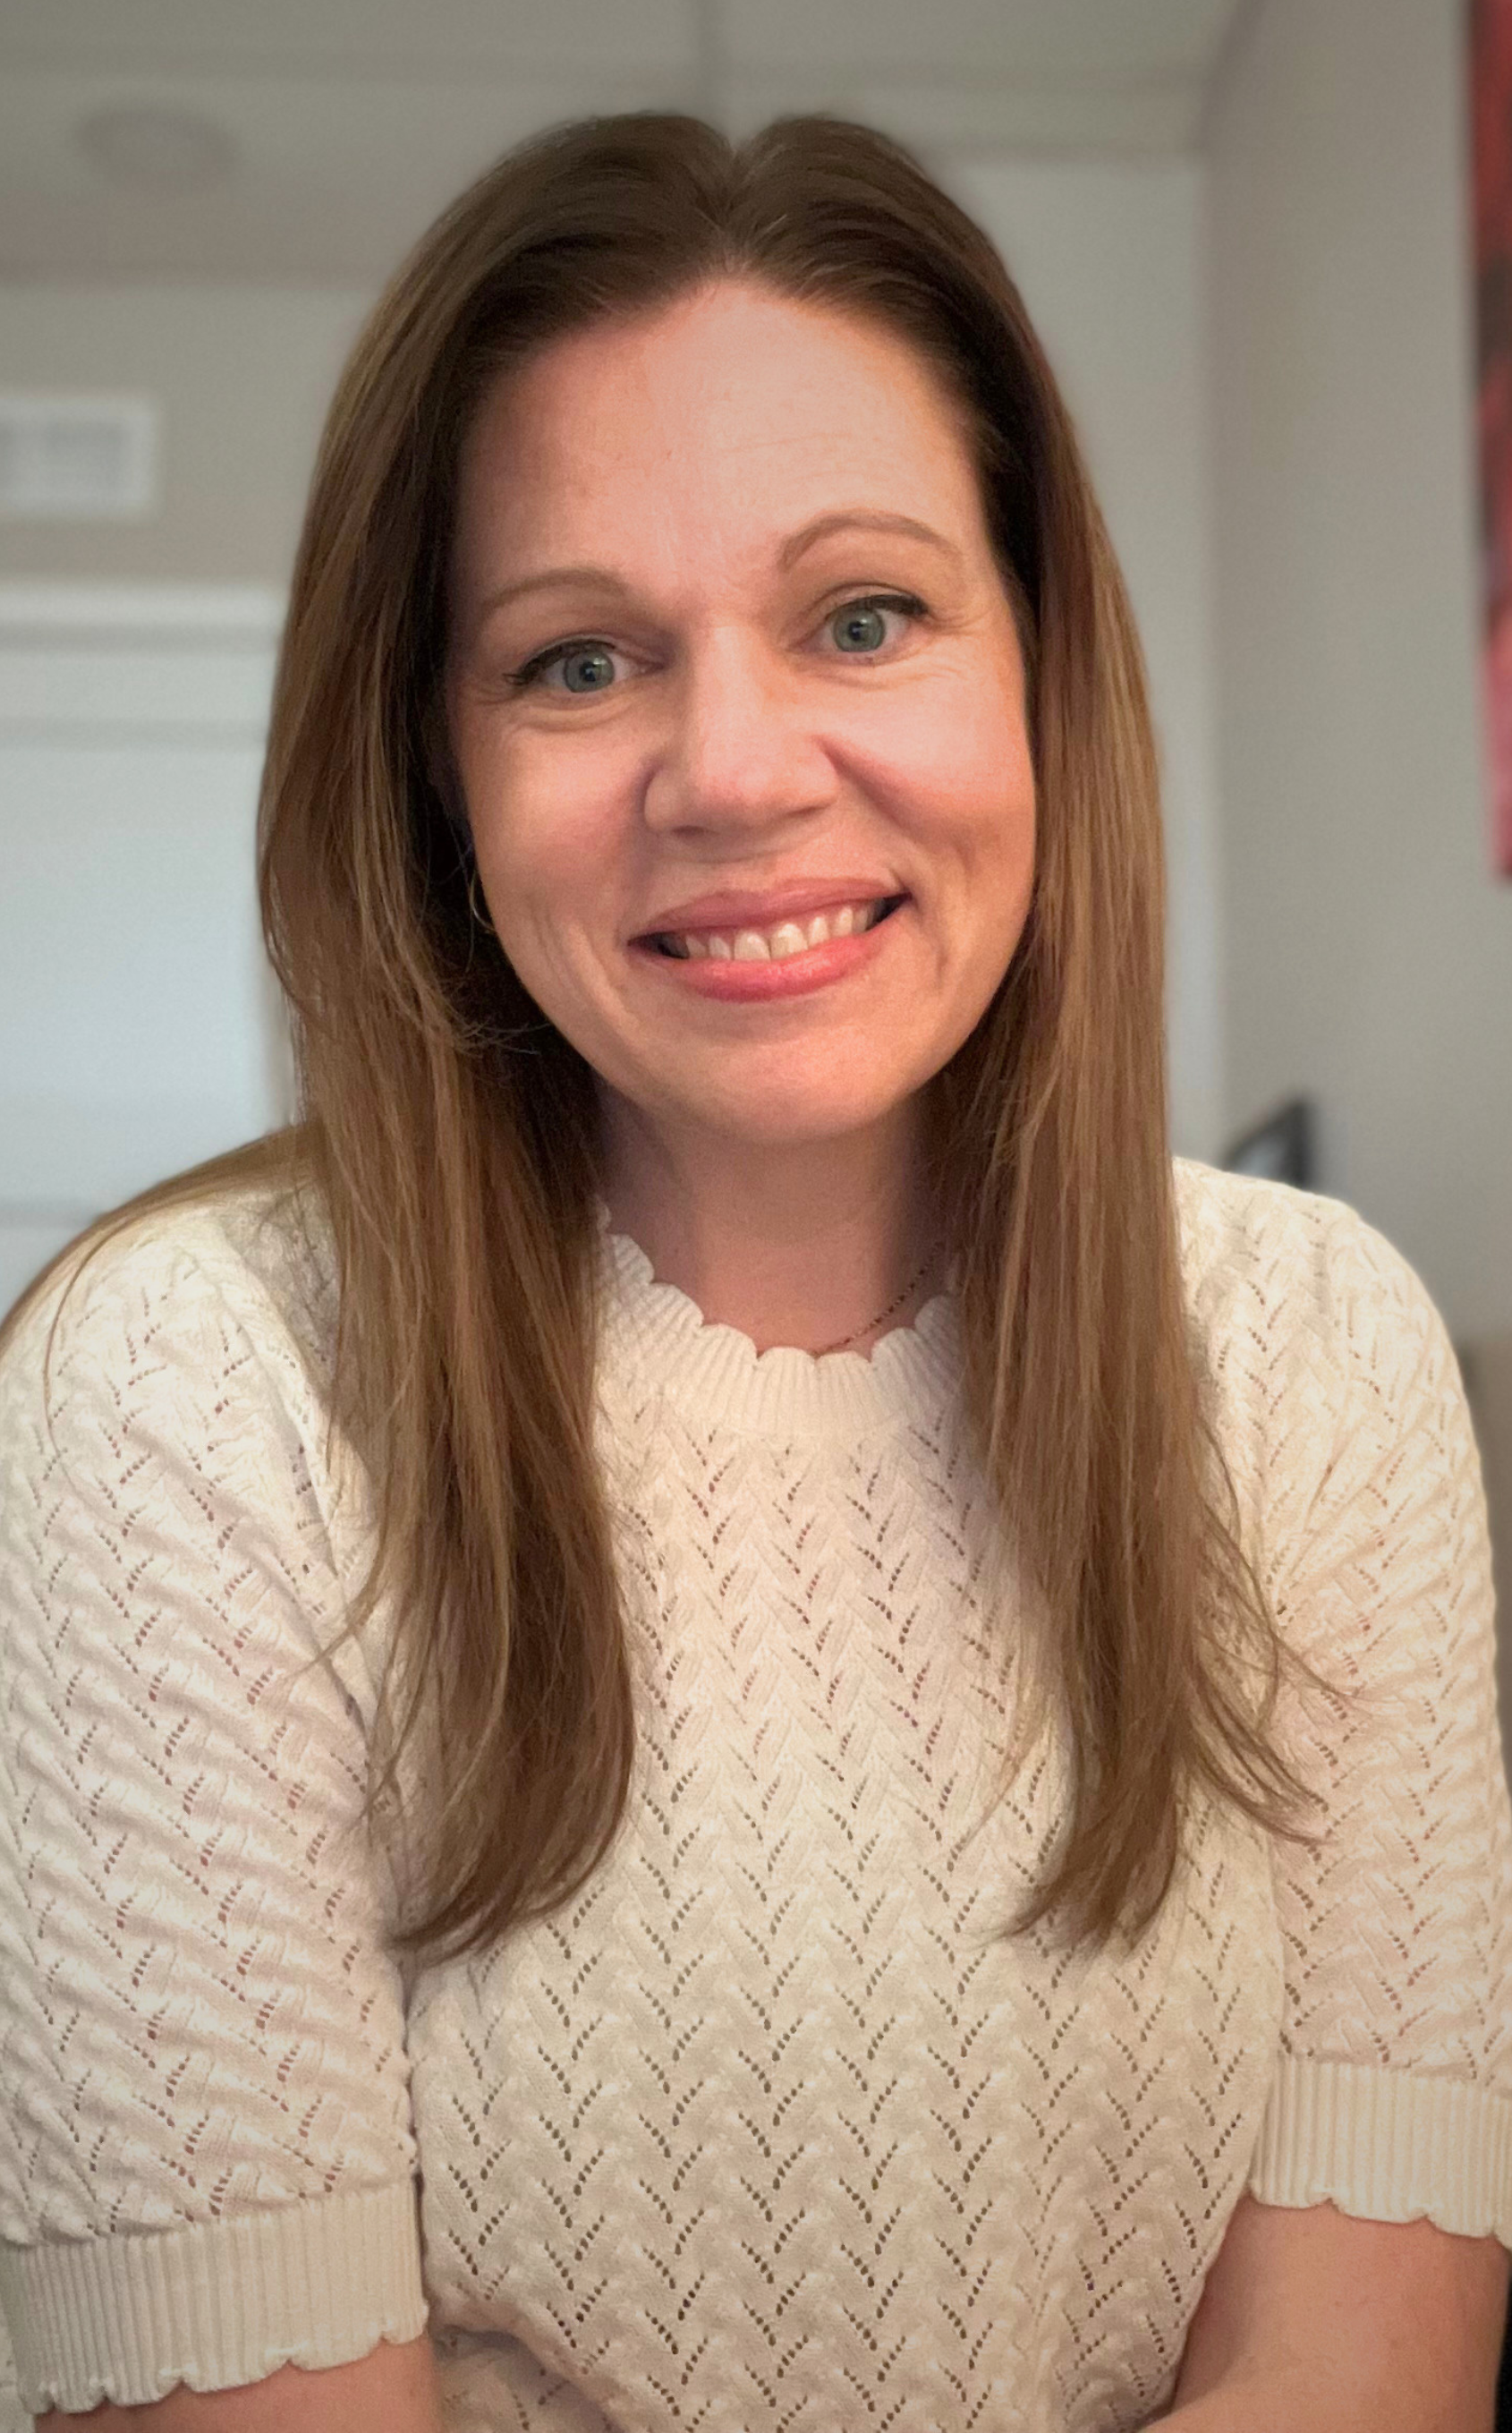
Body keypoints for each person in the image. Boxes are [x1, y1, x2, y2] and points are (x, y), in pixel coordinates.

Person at [0, 108, 1508, 2433]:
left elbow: (1362, 2368)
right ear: (436, 776)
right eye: (578, 659)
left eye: (865, 613)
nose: (733, 767)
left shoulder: (1320, 1356)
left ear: (1039, 671)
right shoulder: (192, 1389)